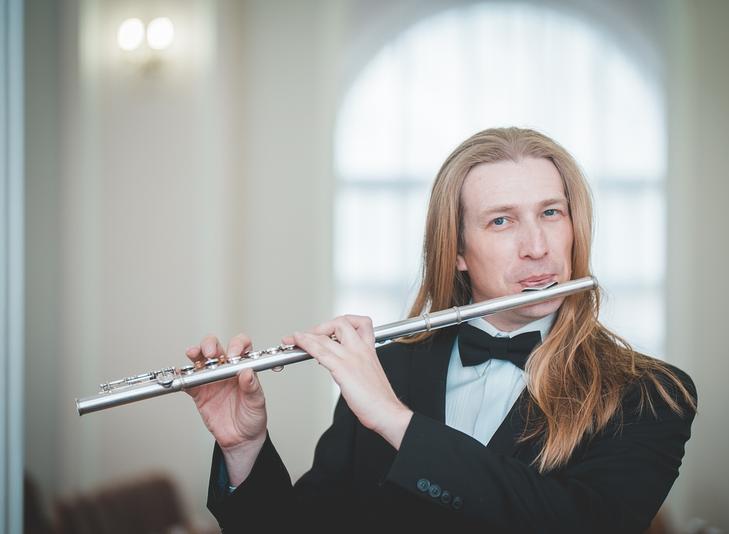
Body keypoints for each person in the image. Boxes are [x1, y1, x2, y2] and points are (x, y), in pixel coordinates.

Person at [185, 127, 697, 533]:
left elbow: (579, 522)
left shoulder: (651, 394)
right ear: (456, 251)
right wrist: (243, 446)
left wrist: (396, 421)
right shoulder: (390, 369)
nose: (537, 247)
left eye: (550, 213)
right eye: (501, 221)